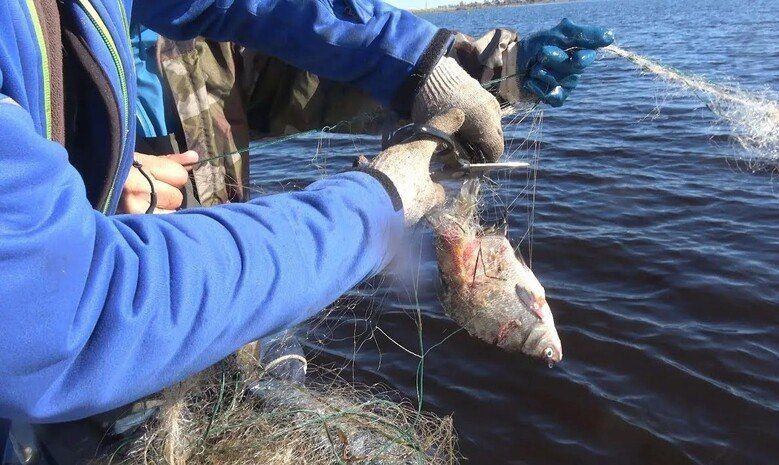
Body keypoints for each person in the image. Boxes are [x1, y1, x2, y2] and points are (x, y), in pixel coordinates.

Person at [0, 0, 611, 460]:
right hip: (91, 386)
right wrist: (378, 203)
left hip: (233, 317)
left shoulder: (188, 38)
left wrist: (468, 66)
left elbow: (300, 62)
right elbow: (58, 316)